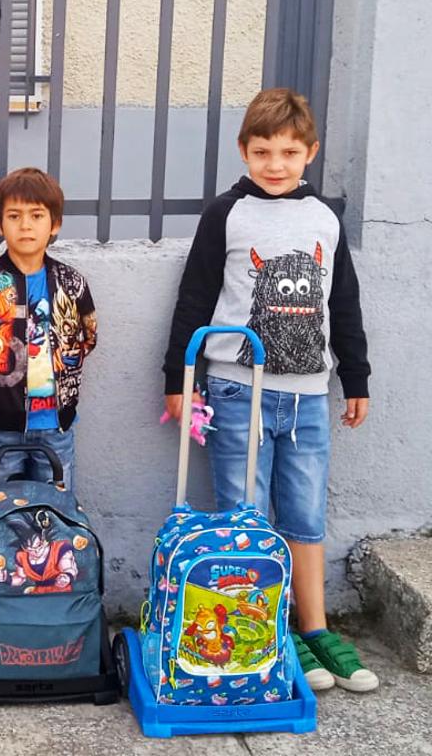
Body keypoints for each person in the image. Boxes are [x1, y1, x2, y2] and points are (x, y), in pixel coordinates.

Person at [162, 87, 376, 692]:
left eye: (288, 152)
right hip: (236, 392)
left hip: (309, 395)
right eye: (262, 152)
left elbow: (345, 304)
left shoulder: (325, 218)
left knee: (305, 515)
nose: (275, 165)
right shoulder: (226, 215)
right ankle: (264, 628)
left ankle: (314, 628)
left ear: (309, 152)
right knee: (244, 516)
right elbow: (194, 300)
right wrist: (179, 378)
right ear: (243, 151)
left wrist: (355, 376)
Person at [0, 167, 97, 493]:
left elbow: (88, 336)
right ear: (0, 225)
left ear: (54, 224)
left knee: (55, 514)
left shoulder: (72, 284)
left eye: (37, 215)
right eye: (14, 216)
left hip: (56, 425)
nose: (26, 225)